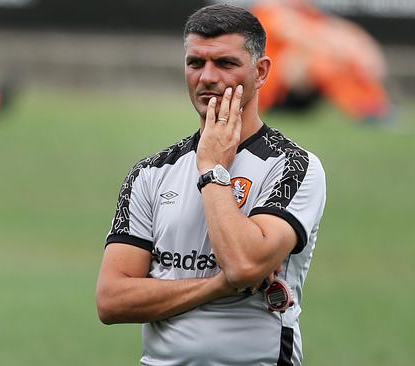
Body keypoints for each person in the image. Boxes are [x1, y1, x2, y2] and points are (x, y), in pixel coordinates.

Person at [96, 4, 326, 365]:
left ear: (261, 71)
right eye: (195, 63)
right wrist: (217, 286)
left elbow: (243, 265)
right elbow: (111, 300)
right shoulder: (150, 173)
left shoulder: (292, 166)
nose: (207, 77)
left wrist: (212, 171)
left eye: (225, 63)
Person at [253, 0, 390, 120]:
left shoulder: (307, 13)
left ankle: (375, 104)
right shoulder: (269, 11)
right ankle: (362, 107)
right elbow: (303, 35)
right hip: (273, 92)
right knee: (319, 60)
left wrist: (363, 49)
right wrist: (345, 51)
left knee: (334, 54)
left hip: (299, 92)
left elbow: (335, 29)